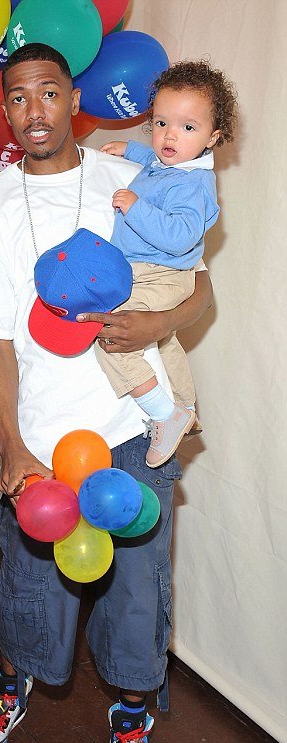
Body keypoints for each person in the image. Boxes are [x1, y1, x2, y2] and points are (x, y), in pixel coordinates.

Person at [0, 43, 214, 743]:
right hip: (43, 439)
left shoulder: (127, 177)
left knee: (138, 592)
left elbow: (198, 287)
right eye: (18, 97)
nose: (34, 110)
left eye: (49, 93)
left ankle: (131, 721)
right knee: (29, 586)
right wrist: (11, 445)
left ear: (73, 99)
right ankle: (12, 686)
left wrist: (156, 324)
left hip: (132, 425)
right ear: (6, 110)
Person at [98, 60, 237, 468]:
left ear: (213, 137)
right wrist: (131, 150)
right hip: (150, 272)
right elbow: (159, 161)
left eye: (187, 127)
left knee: (112, 336)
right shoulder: (175, 164)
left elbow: (180, 236)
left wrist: (136, 208)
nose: (169, 136)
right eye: (161, 123)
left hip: (162, 274)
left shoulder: (194, 185)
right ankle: (185, 405)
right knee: (164, 341)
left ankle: (164, 413)